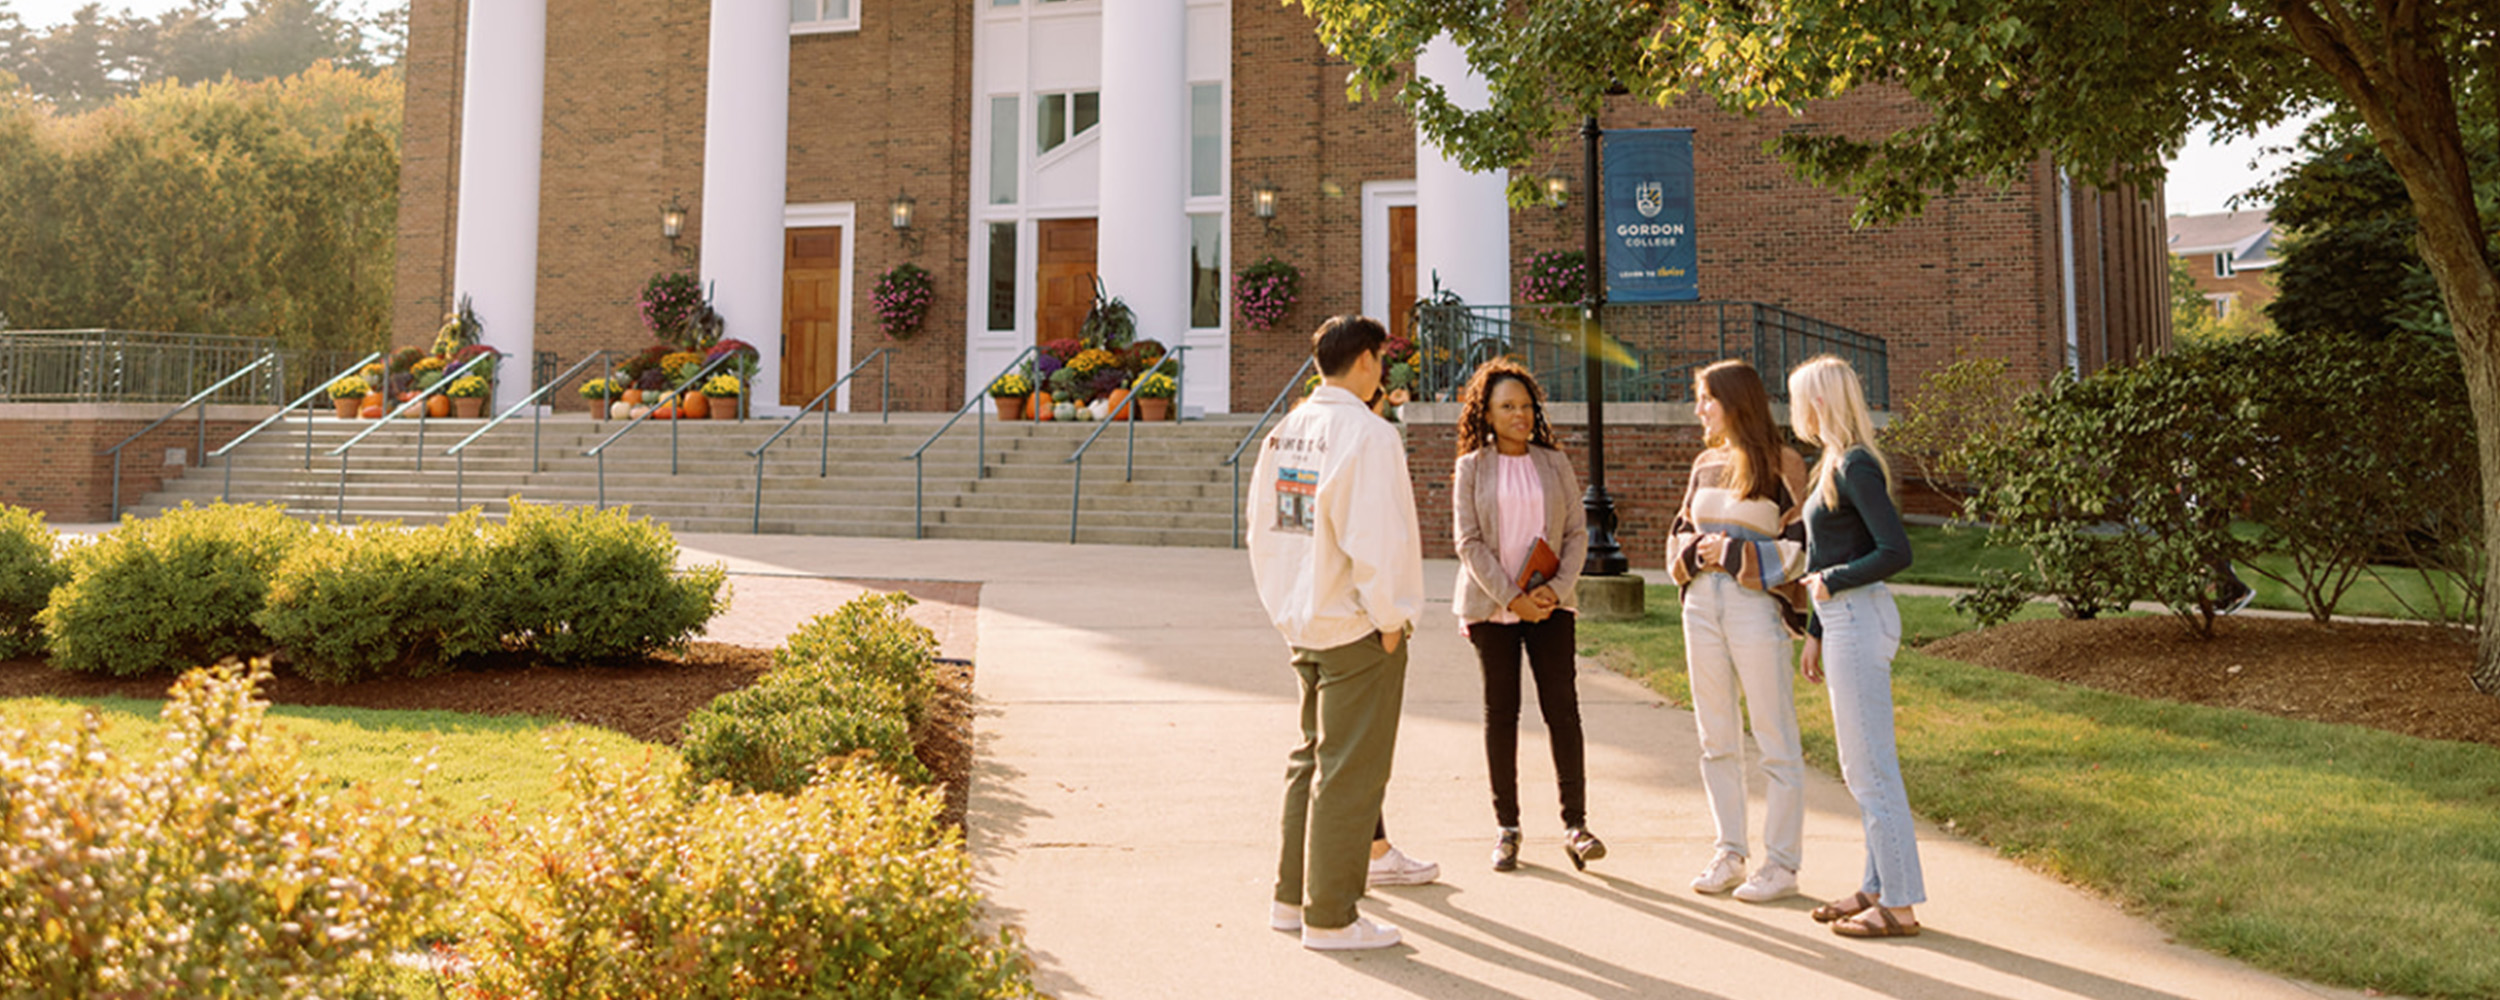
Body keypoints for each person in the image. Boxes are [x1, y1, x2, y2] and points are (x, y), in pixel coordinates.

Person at [1247, 315, 1426, 951]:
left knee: (1310, 763)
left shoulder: (1286, 430)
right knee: (1351, 772)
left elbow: (1262, 530)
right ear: (1370, 363)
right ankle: (1332, 916)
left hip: (1305, 616)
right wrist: (1390, 618)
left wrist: (1286, 605)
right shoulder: (1368, 435)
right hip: (1355, 625)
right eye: (1382, 358)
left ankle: (1291, 901)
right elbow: (1376, 538)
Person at [1786, 355, 1925, 939]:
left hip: (1860, 617)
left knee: (1871, 768)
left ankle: (1900, 905)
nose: (1795, 409)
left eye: (1799, 398)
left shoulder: (1857, 467)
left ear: (1819, 401)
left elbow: (1896, 551)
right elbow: (1826, 552)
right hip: (1840, 621)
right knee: (1859, 764)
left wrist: (1833, 584)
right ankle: (1875, 886)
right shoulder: (1834, 464)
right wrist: (1815, 634)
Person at [1665, 359, 1811, 903]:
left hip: (1754, 608)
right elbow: (1678, 533)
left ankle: (1782, 865)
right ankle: (1730, 851)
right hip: (1700, 606)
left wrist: (1729, 551)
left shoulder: (1782, 463)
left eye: (1706, 398)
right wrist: (1692, 554)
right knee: (1715, 737)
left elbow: (1798, 549)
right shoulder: (1704, 464)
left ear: (1735, 402)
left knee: (1774, 737)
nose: (1698, 408)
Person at [1450, 358, 1600, 873]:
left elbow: (1576, 533)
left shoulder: (1553, 462)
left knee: (1563, 710)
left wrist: (1555, 592)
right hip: (1494, 609)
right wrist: (1511, 598)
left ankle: (1576, 825)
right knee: (1503, 714)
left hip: (1551, 605)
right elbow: (1468, 542)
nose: (1520, 415)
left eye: (1526, 406)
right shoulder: (1472, 466)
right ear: (1486, 415)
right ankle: (1507, 827)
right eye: (1507, 407)